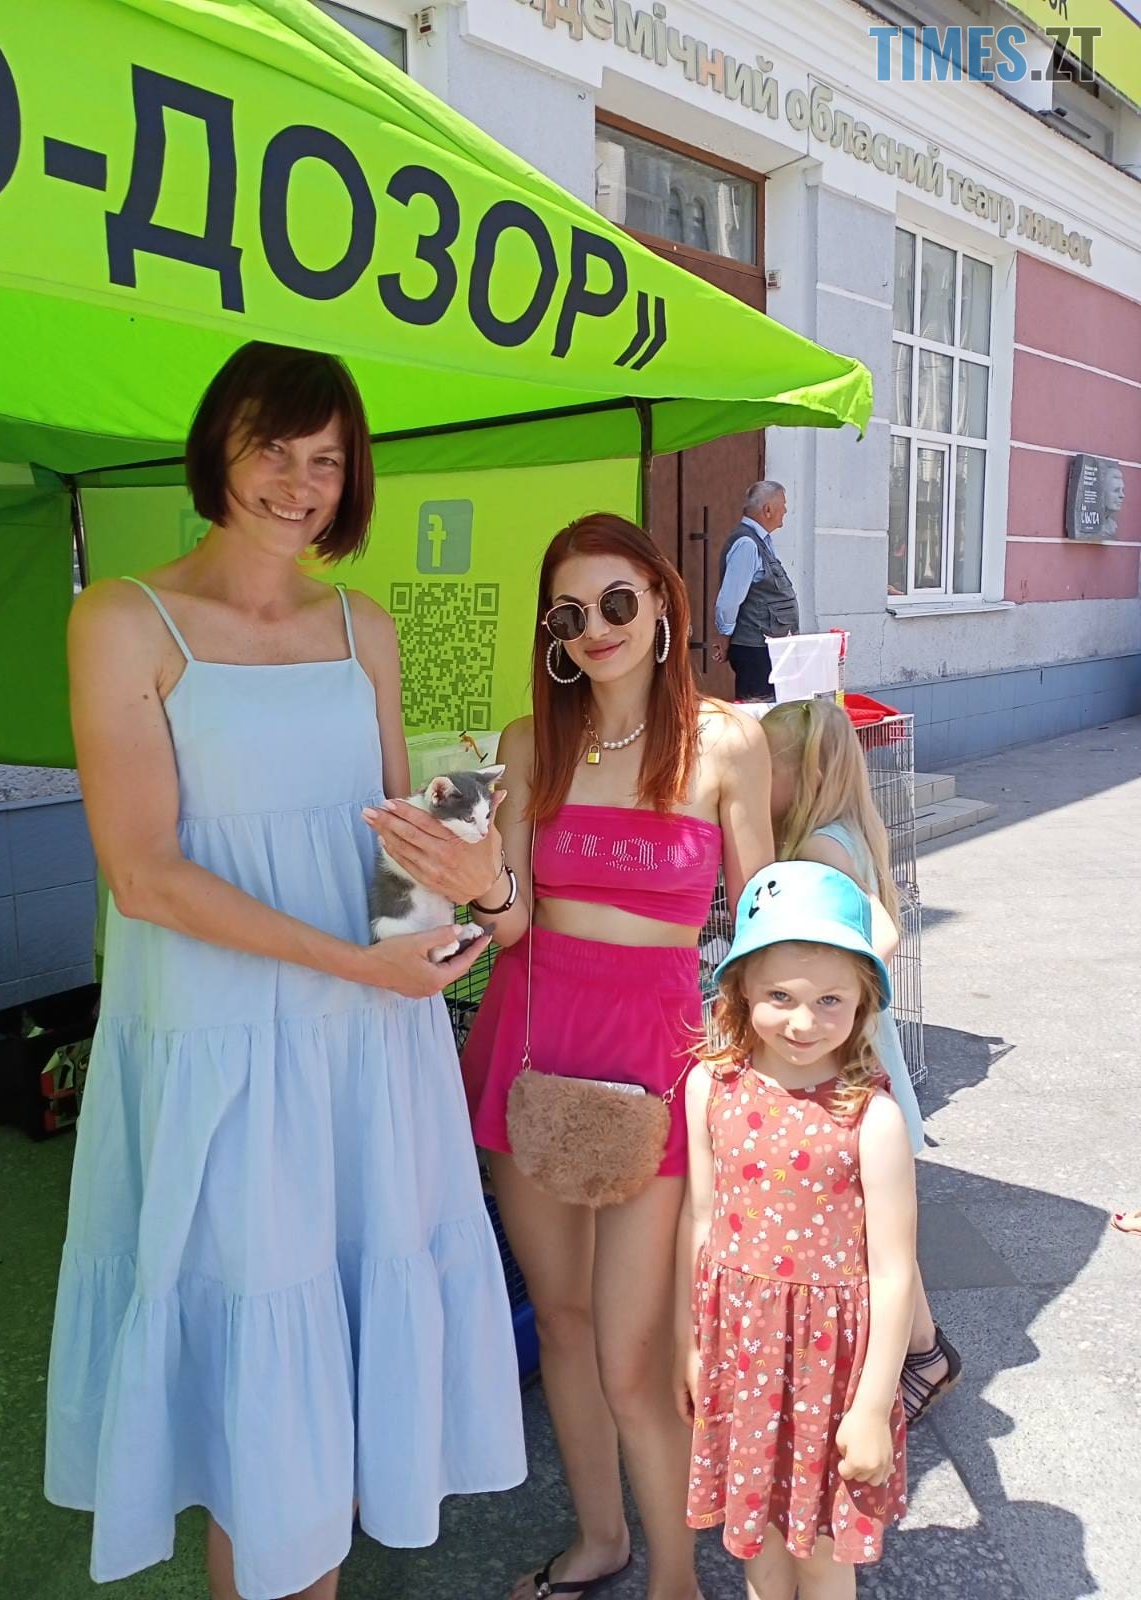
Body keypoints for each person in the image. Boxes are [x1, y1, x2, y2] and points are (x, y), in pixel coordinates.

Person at [45, 341, 526, 1600]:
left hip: (369, 1044)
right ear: (217, 444)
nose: (298, 482)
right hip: (224, 1045)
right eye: (272, 446)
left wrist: (461, 887)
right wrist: (357, 964)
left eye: (326, 459)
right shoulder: (122, 620)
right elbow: (144, 874)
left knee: (342, 1377)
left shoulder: (364, 626)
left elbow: (392, 850)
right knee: (260, 1387)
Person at [406, 512, 772, 1600]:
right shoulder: (528, 742)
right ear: (553, 634)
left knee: (633, 1356)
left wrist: (788, 1062)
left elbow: (760, 923)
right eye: (569, 614)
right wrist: (475, 881)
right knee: (561, 1324)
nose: (596, 628)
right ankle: (602, 1539)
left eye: (618, 601)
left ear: (661, 601)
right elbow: (511, 919)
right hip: (532, 1045)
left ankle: (675, 1579)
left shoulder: (726, 742)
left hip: (657, 1060)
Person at [676, 860, 915, 1599]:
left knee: (820, 1553)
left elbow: (895, 1273)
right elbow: (700, 1217)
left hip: (830, 1368)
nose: (803, 1022)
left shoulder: (871, 1117)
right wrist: (691, 1344)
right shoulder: (708, 1086)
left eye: (829, 1000)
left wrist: (873, 1405)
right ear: (742, 986)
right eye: (780, 996)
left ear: (864, 1000)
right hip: (743, 1351)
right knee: (758, 1545)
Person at [759, 698, 961, 1427]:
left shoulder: (817, 849)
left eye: (764, 769)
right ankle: (922, 1352)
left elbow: (878, 936)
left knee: (874, 1225)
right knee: (882, 1220)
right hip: (863, 1040)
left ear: (801, 774)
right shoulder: (847, 829)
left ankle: (923, 1355)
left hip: (847, 1055)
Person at [711, 480, 800, 703]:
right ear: (767, 509)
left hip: (766, 646)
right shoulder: (747, 543)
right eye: (783, 504)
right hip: (755, 649)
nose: (785, 510)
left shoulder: (760, 540)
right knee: (757, 711)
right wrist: (725, 636)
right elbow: (729, 600)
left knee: (771, 709)